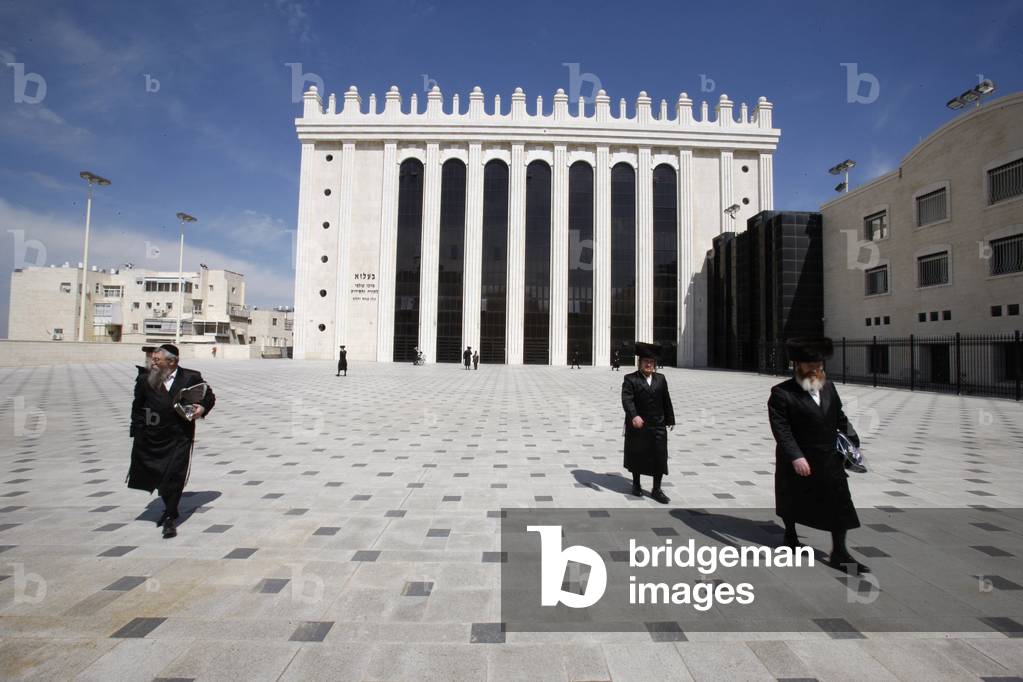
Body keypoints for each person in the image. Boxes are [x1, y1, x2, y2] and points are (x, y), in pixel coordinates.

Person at [768, 337, 868, 574]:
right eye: (810, 365)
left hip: (829, 457)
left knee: (840, 502)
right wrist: (796, 456)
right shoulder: (781, 393)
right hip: (800, 457)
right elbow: (781, 429)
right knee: (792, 498)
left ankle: (839, 552)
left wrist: (853, 445)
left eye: (819, 365)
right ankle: (791, 537)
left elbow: (840, 418)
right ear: (797, 365)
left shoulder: (829, 387)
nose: (815, 369)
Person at [128, 344, 215, 539]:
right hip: (152, 435)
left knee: (174, 475)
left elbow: (208, 396)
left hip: (179, 436)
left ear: (172, 362)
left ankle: (169, 516)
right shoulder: (145, 378)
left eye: (157, 360)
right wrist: (136, 431)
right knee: (158, 475)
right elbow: (137, 406)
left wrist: (201, 408)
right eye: (153, 359)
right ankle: (171, 506)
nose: (153, 363)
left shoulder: (190, 377)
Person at [621, 342, 675, 503]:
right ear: (640, 363)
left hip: (658, 423)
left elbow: (666, 399)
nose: (649, 364)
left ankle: (656, 489)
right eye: (646, 361)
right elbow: (627, 399)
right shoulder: (630, 379)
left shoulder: (661, 379)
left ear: (655, 364)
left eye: (651, 362)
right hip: (639, 424)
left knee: (660, 455)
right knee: (637, 454)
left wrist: (670, 419)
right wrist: (634, 416)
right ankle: (636, 484)